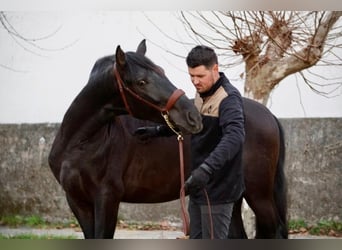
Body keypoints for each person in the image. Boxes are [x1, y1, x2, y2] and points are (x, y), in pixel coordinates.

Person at [134, 45, 245, 239]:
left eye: (200, 76)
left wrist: (206, 169)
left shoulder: (228, 98)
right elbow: (192, 125)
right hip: (199, 185)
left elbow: (235, 136)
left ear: (215, 69)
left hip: (218, 189)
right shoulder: (201, 96)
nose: (195, 81)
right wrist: (158, 131)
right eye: (191, 76)